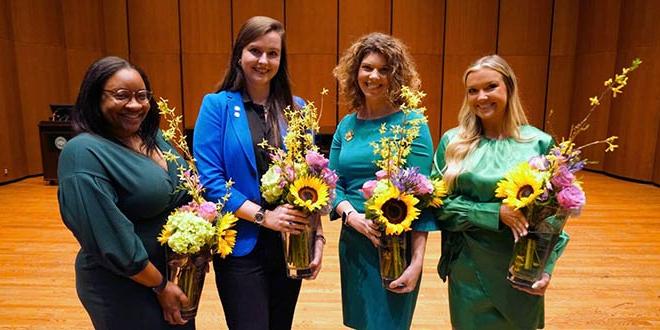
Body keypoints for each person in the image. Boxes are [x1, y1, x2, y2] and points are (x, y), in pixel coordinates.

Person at [193, 16, 324, 330]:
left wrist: (317, 236)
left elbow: (312, 177)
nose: (263, 60)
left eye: (273, 53)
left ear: (281, 59)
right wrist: (265, 217)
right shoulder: (217, 106)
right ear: (239, 54)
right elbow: (211, 180)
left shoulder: (298, 108)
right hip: (241, 244)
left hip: (291, 243)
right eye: (255, 50)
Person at [432, 54, 570, 329]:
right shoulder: (453, 142)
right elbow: (437, 207)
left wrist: (545, 267)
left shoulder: (539, 143)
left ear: (509, 88)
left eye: (491, 87)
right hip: (468, 267)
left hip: (521, 265)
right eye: (473, 90)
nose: (481, 97)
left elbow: (555, 216)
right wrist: (495, 213)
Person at [57, 56, 193, 329]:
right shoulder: (83, 153)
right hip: (126, 284)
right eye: (122, 96)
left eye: (142, 96)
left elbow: (188, 188)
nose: (134, 104)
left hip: (172, 275)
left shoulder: (151, 136)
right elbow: (110, 238)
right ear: (95, 97)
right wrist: (160, 286)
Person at [329, 32, 436, 329]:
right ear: (355, 72)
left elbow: (422, 197)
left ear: (396, 76)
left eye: (384, 69)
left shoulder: (412, 123)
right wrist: (352, 217)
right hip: (354, 244)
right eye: (367, 68)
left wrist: (417, 263)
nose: (374, 76)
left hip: (395, 246)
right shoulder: (346, 125)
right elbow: (333, 185)